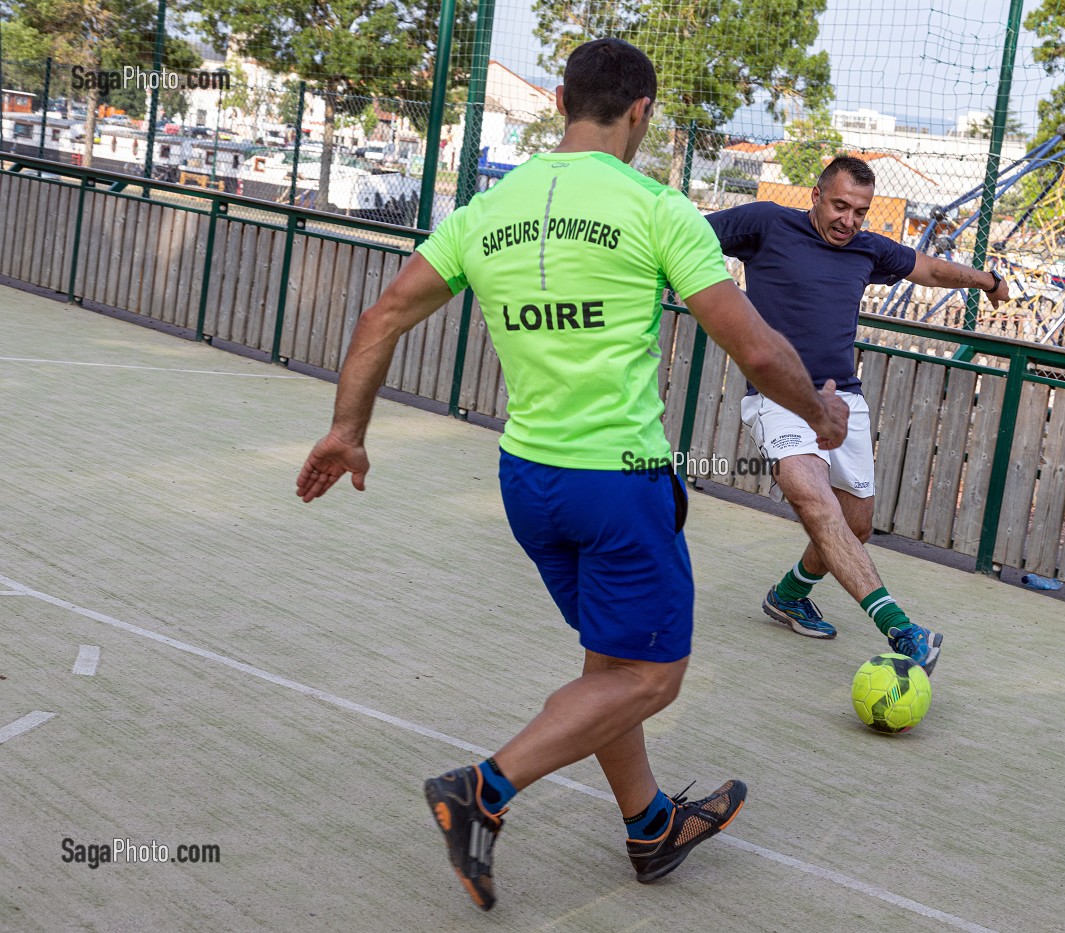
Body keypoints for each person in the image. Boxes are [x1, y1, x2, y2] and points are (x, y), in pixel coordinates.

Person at [294, 38, 847, 913]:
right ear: (641, 113)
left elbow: (382, 316)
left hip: (528, 482)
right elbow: (755, 345)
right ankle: (482, 788)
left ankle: (650, 824)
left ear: (559, 100)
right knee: (649, 676)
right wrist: (821, 414)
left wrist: (346, 430)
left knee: (610, 660)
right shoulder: (655, 205)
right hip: (617, 481)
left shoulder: (487, 209)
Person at [705, 155, 1010, 672]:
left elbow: (930, 268)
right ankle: (903, 630)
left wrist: (986, 278)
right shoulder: (764, 222)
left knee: (856, 525)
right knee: (817, 504)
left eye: (860, 211)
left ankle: (789, 596)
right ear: (816, 196)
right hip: (777, 401)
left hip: (844, 401)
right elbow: (686, 237)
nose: (849, 220)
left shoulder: (867, 250)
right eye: (840, 205)